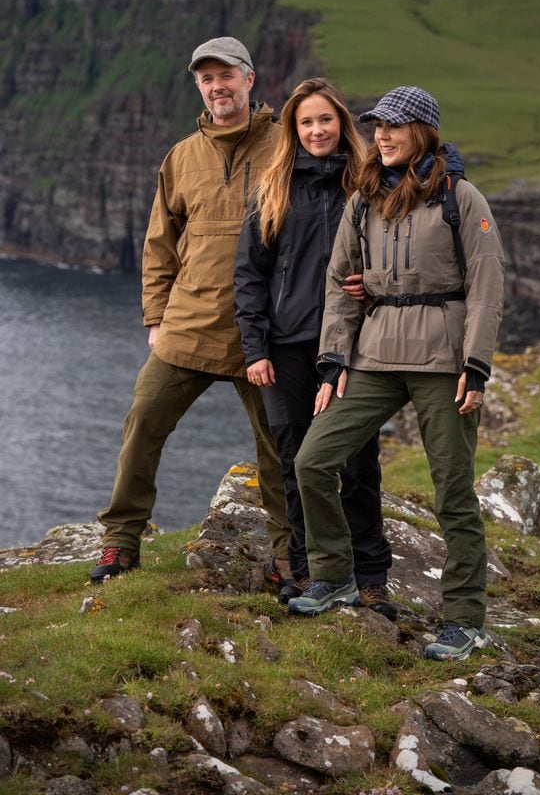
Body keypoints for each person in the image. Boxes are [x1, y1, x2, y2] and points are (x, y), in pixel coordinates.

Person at [288, 85, 505, 661]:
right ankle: (334, 576)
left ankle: (464, 619)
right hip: (375, 355)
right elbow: (340, 283)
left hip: (443, 362)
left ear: (423, 133)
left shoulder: (463, 198)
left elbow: (487, 289)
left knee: (453, 491)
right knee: (313, 460)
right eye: (377, 127)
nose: (381, 136)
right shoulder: (363, 199)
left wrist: (476, 366)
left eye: (395, 127)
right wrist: (333, 362)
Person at [89, 37, 290, 583]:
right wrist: (156, 320)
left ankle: (288, 558)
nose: (217, 86)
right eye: (206, 78)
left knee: (278, 447)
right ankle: (120, 543)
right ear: (198, 87)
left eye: (226, 74)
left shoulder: (287, 146)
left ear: (250, 79)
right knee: (143, 424)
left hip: (263, 333)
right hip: (187, 325)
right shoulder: (182, 156)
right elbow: (159, 244)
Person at [233, 78, 394, 615]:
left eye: (325, 119)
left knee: (356, 463)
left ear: (341, 124)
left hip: (357, 346)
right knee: (295, 461)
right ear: (293, 130)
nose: (317, 130)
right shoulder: (273, 187)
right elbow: (248, 275)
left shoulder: (370, 185)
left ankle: (371, 577)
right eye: (306, 122)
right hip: (286, 347)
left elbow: (402, 259)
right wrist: (255, 348)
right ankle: (308, 574)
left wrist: (374, 282)